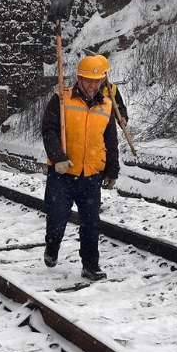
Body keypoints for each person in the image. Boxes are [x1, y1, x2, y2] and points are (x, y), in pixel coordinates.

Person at [41, 55, 120, 281]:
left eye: (97, 81)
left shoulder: (106, 106)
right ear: (79, 78)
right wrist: (58, 157)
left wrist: (112, 170)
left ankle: (90, 265)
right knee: (57, 218)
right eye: (88, 80)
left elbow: (110, 140)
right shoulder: (61, 99)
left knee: (91, 224)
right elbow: (49, 131)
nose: (93, 85)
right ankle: (52, 245)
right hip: (63, 173)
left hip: (91, 175)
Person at [96, 54, 128, 126]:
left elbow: (120, 107)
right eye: (99, 73)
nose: (102, 76)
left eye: (104, 73)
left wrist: (123, 117)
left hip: (109, 127)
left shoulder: (112, 89)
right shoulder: (87, 90)